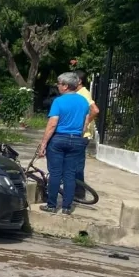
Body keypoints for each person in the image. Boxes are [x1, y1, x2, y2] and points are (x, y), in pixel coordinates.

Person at [38, 72, 90, 215]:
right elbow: (85, 124)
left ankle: (52, 205)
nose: (58, 86)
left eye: (59, 83)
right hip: (77, 140)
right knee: (70, 174)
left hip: (59, 139)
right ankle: (67, 207)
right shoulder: (84, 102)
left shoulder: (59, 102)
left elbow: (52, 124)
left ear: (66, 86)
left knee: (55, 173)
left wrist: (43, 144)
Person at [74, 69, 100, 196]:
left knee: (77, 164)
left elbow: (95, 110)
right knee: (75, 163)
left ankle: (79, 191)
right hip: (81, 134)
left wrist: (85, 123)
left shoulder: (83, 93)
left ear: (79, 81)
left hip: (82, 134)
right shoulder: (80, 92)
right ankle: (77, 189)